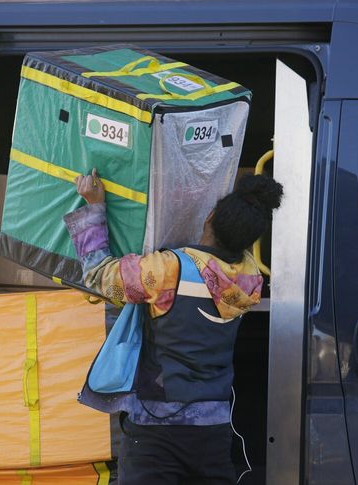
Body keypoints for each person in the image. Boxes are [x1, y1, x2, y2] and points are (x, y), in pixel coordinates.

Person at [64, 169, 283, 485]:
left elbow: (101, 277)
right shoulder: (248, 283)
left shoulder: (169, 269)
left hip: (157, 430)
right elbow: (237, 250)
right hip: (212, 430)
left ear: (208, 218)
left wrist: (94, 207)